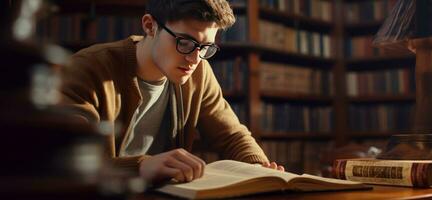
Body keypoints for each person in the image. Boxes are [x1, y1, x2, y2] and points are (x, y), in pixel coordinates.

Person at [59, 0, 284, 184]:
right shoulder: (89, 68)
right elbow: (65, 157)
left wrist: (258, 170)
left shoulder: (199, 72)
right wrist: (141, 166)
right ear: (150, 26)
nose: (194, 59)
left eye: (205, 48)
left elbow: (231, 135)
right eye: (185, 42)